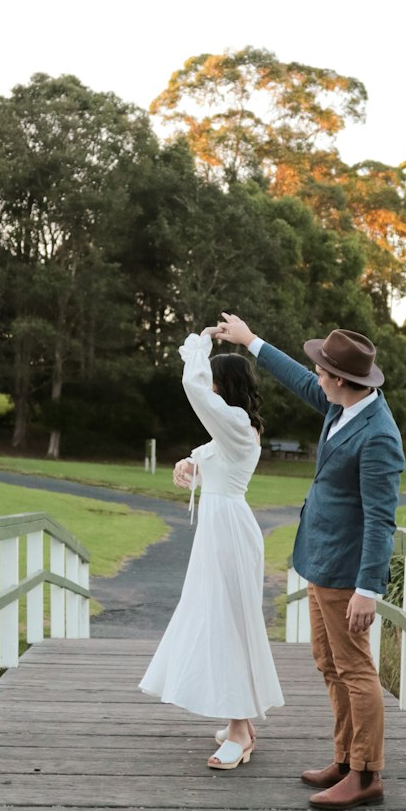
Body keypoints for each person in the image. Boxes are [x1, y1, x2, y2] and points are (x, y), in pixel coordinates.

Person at [215, 313, 404, 809]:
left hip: (347, 572)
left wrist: (369, 588)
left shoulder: (379, 435)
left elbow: (381, 519)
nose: (315, 373)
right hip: (319, 560)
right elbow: (296, 378)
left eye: (322, 369)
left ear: (342, 379)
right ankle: (345, 759)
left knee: (356, 670)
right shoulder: (343, 405)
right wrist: (250, 340)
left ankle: (366, 776)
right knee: (329, 665)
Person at [139, 328, 283, 768]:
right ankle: (242, 722)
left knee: (228, 622)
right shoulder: (233, 430)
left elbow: (191, 387)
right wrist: (189, 463)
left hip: (229, 533)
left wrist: (199, 345)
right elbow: (206, 457)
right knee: (217, 617)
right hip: (218, 529)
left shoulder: (238, 425)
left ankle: (240, 731)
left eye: (214, 383)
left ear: (224, 386)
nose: (210, 389)